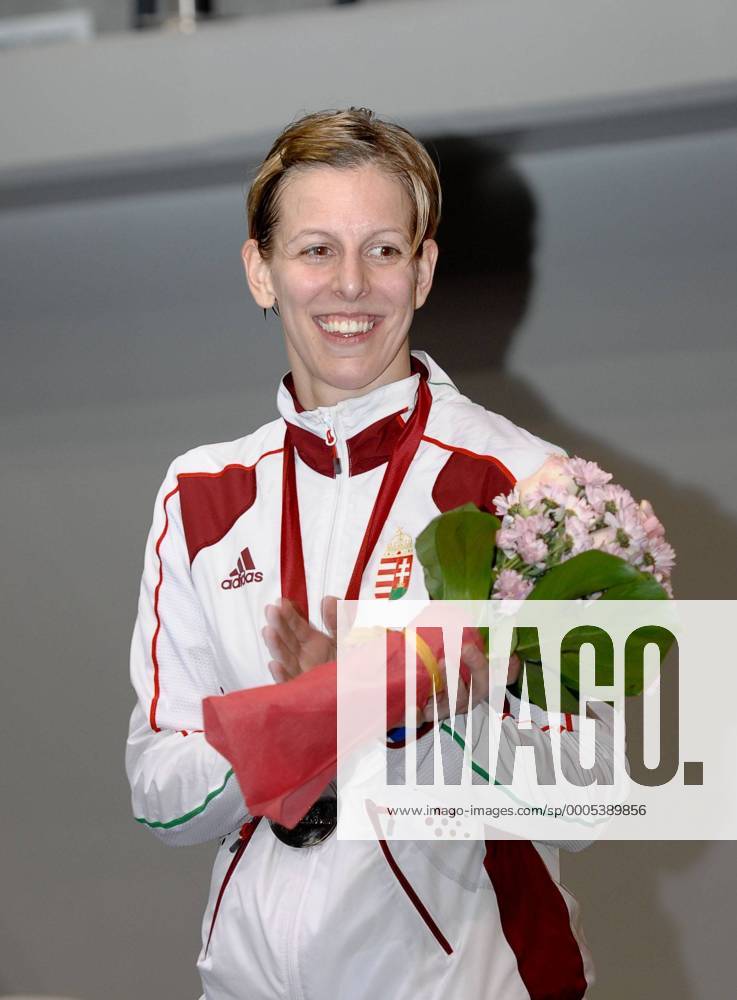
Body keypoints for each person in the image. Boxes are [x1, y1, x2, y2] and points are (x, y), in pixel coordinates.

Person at [126, 108, 611, 999]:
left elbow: (601, 787)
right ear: (259, 272)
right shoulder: (199, 493)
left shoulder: (531, 487)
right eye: (314, 250)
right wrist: (303, 720)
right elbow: (161, 797)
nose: (348, 285)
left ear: (421, 271)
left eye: (382, 250)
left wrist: (385, 700)